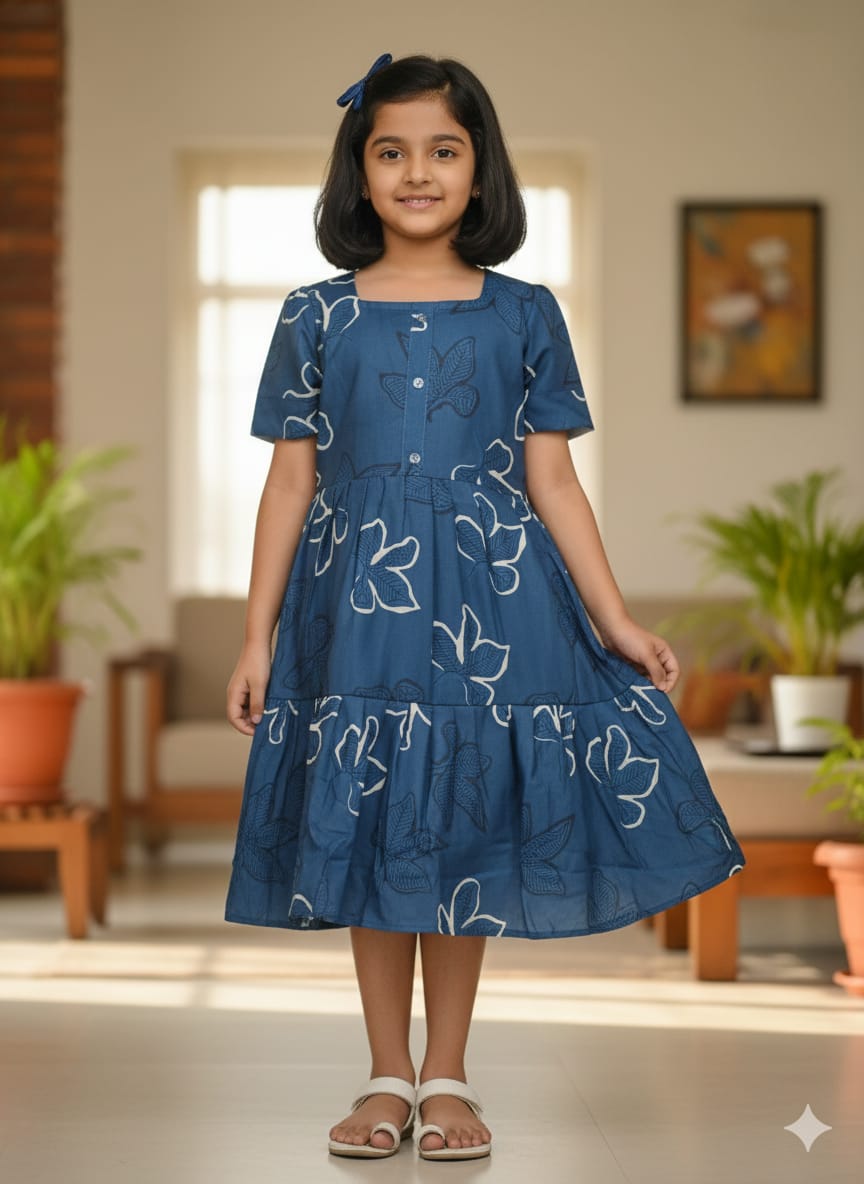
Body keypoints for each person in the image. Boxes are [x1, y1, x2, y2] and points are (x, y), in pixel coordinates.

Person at [224, 52, 745, 1162]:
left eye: (444, 151)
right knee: (372, 820)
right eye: (393, 150)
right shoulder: (314, 315)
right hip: (351, 611)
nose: (419, 171)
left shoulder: (525, 313)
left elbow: (552, 479)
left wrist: (614, 618)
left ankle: (447, 1076)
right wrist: (255, 631)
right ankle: (381, 1075)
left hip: (492, 608)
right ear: (360, 172)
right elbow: (288, 482)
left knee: (455, 824)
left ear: (479, 169)